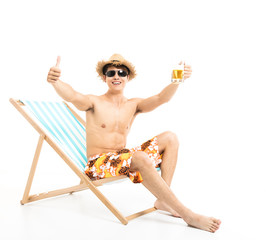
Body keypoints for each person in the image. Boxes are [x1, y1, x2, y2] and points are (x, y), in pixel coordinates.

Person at [47, 54, 221, 233]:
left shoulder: (133, 105)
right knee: (139, 157)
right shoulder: (94, 101)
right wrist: (56, 81)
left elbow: (162, 98)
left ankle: (163, 200)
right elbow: (73, 96)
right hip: (98, 164)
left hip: (123, 157)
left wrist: (177, 79)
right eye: (111, 72)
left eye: (122, 73)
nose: (117, 76)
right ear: (104, 77)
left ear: (127, 77)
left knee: (170, 137)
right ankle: (188, 215)